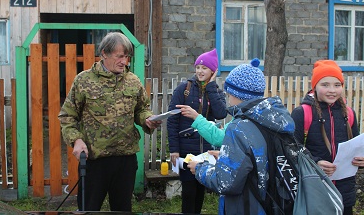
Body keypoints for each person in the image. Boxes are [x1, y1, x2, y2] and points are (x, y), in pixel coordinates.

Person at [58, 32, 161, 212]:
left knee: (122, 209)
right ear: (104, 53)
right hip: (95, 160)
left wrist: (147, 119)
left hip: (125, 160)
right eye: (119, 56)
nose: (124, 61)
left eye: (127, 57)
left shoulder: (133, 81)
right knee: (89, 209)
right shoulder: (84, 81)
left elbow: (141, 109)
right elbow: (68, 116)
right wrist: (76, 139)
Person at [185, 58, 295, 215]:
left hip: (247, 205)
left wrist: (201, 168)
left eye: (229, 94)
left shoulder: (239, 127)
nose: (228, 98)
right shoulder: (274, 119)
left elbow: (227, 182)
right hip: (274, 202)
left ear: (235, 94)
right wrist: (227, 155)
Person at [291, 59, 364, 215]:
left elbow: (358, 147)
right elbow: (292, 149)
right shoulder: (302, 113)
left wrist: (362, 160)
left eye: (337, 85)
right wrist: (316, 162)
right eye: (325, 85)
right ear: (315, 87)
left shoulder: (349, 114)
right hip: (316, 192)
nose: (332, 90)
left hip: (345, 194)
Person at [167, 48, 228, 214]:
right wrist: (174, 149)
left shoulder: (216, 92)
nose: (200, 71)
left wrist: (211, 88)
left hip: (206, 152)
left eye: (205, 68)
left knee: (200, 190)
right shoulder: (183, 89)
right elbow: (172, 120)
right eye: (198, 67)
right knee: (188, 192)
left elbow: (221, 113)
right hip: (185, 150)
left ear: (213, 71)